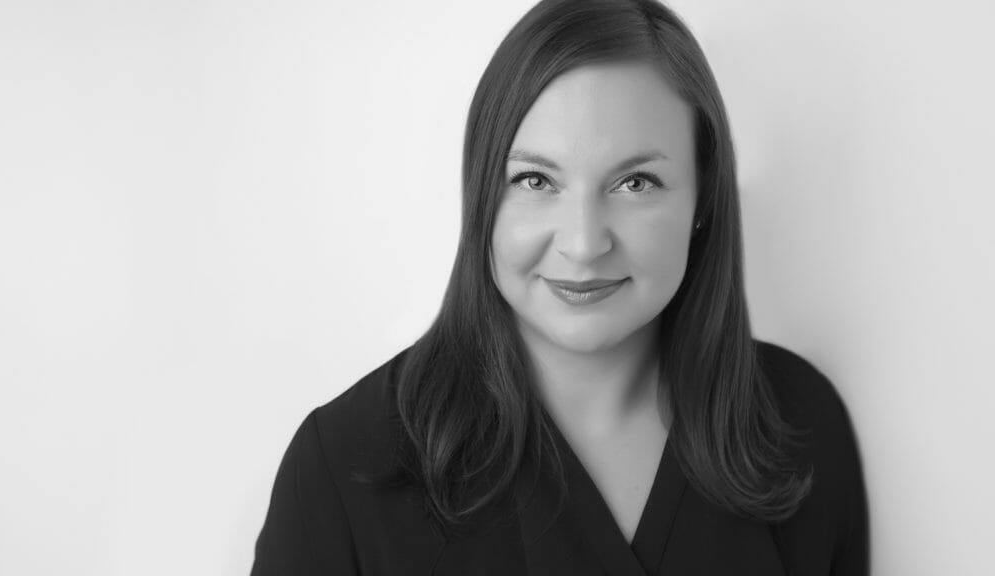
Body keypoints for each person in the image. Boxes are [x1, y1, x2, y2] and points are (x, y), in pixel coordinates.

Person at [250, 0, 869, 574]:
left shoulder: (800, 427)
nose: (583, 243)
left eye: (636, 183)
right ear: (482, 195)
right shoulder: (343, 466)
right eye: (536, 181)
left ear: (704, 196)